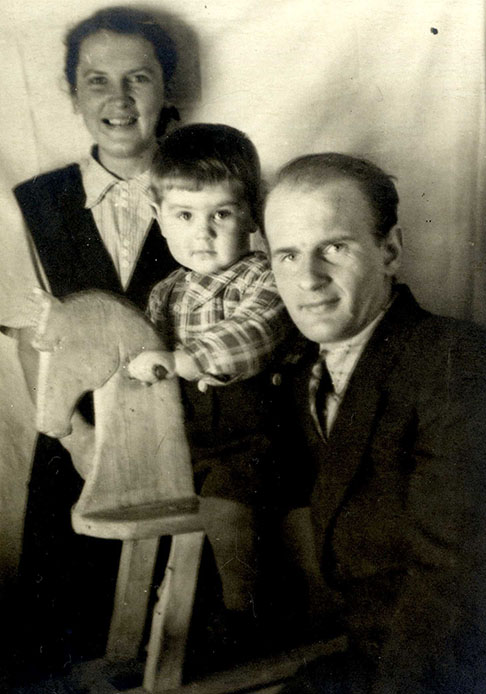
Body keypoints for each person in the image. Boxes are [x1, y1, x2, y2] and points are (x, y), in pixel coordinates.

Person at [264, 153, 486, 693]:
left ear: (390, 251)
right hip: (371, 658)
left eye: (333, 248)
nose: (308, 279)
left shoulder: (459, 362)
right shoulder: (300, 375)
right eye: (288, 255)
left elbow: (456, 590)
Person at [11, 6, 181, 676]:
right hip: (74, 446)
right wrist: (80, 442)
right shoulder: (34, 202)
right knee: (69, 641)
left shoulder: (207, 187)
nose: (119, 99)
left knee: (174, 637)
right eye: (97, 81)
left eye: (138, 78)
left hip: (181, 446)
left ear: (166, 86)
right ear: (73, 93)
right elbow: (31, 344)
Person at [127, 123, 289, 627]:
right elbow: (140, 358)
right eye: (185, 215)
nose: (204, 232)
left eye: (222, 213)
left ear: (253, 214)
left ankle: (243, 614)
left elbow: (254, 331)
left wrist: (183, 360)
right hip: (189, 435)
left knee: (225, 508)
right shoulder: (164, 293)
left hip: (252, 435)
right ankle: (166, 618)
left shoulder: (264, 275)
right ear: (158, 217)